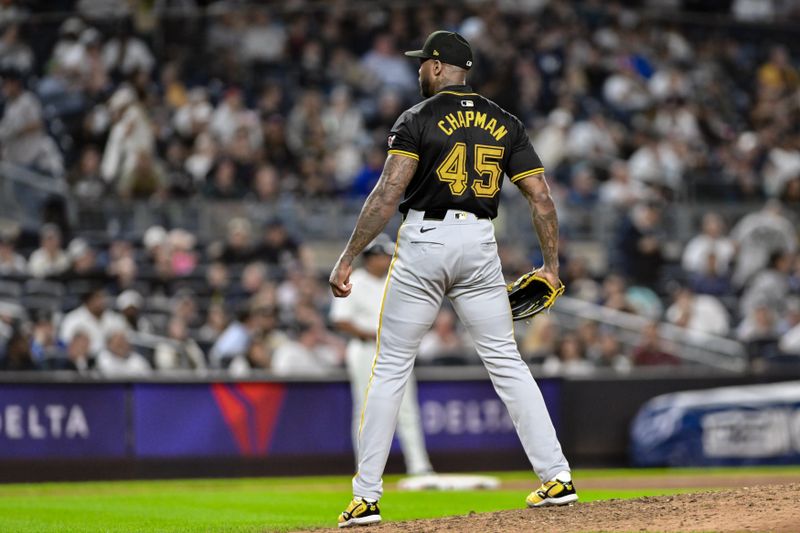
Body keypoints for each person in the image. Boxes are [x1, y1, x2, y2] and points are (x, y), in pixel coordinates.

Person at [329, 31, 576, 528]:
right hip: (480, 243)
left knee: (392, 365)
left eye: (425, 63)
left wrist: (348, 256)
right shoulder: (505, 121)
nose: (420, 70)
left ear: (440, 67)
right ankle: (557, 478)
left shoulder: (416, 118)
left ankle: (366, 498)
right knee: (506, 360)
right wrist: (550, 266)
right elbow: (541, 198)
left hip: (425, 239)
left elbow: (386, 193)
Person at [330, 234, 434, 477]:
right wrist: (377, 334)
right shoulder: (355, 280)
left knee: (407, 408)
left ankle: (420, 466)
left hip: (397, 350)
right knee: (365, 409)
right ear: (369, 258)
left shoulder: (396, 280)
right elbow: (341, 320)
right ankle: (364, 469)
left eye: (388, 255)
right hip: (365, 349)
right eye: (381, 255)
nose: (386, 259)